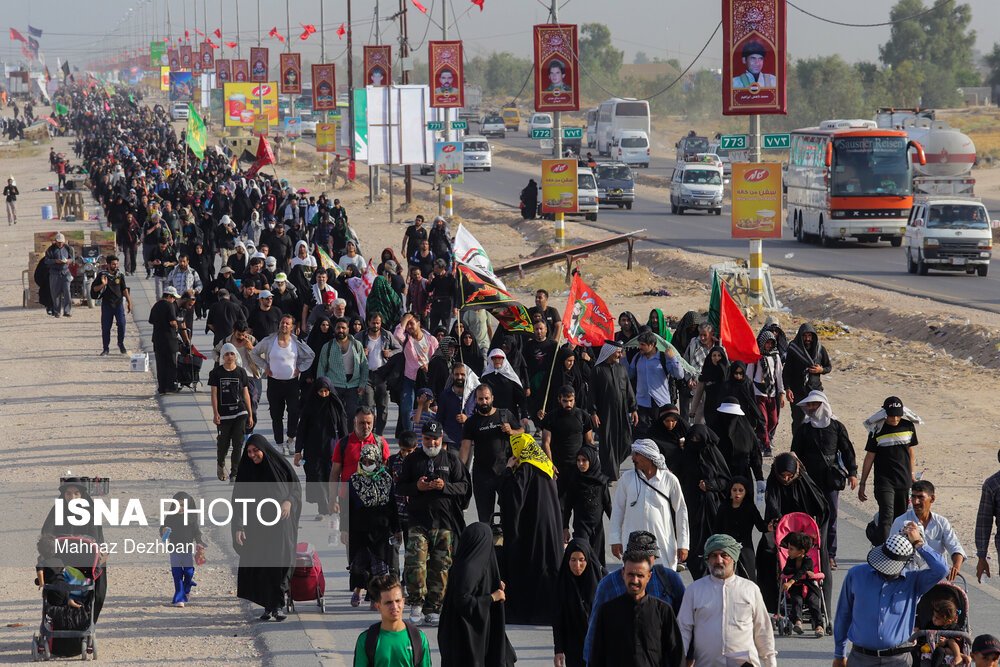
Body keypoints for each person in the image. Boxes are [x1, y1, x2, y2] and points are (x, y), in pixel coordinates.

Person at [833, 525, 948, 667]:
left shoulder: (914, 581)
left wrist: (919, 544)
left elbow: (941, 569)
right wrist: (839, 654)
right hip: (861, 659)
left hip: (898, 660)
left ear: (905, 562)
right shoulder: (856, 575)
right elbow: (843, 615)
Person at [397, 421, 471, 627]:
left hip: (445, 522)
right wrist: (417, 486)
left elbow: (464, 487)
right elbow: (400, 487)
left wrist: (444, 486)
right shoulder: (412, 460)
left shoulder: (452, 460)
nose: (431, 442)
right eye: (427, 438)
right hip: (418, 521)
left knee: (440, 567)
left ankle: (434, 607)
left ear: (441, 439)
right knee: (415, 562)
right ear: (422, 439)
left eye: (435, 438)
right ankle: (416, 603)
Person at [678, 534, 777, 667]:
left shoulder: (750, 589)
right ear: (707, 559)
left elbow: (763, 630)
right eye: (713, 555)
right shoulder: (694, 590)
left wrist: (770, 663)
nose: (718, 561)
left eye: (724, 555)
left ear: (734, 559)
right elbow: (684, 628)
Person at [232, 435, 302, 621]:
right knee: (262, 565)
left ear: (263, 448)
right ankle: (270, 606)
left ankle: (276, 605)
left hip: (281, 524)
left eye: (256, 450)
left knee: (280, 563)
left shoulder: (279, 465)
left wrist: (289, 502)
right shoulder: (246, 471)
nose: (253, 455)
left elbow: (295, 487)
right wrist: (239, 526)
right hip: (257, 526)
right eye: (249, 452)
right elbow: (238, 501)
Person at [497, 433, 563, 625]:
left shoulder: (526, 468)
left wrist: (508, 470)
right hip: (549, 529)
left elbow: (511, 499)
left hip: (532, 530)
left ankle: (530, 611)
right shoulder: (546, 466)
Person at [790, 389, 858, 569]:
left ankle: (829, 555)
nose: (811, 408)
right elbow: (794, 453)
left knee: (832, 516)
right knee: (808, 517)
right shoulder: (804, 428)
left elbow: (847, 450)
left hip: (830, 480)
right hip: (808, 480)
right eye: (809, 404)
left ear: (823, 404)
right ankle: (808, 554)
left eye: (815, 404)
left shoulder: (836, 426)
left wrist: (852, 473)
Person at [758, 452, 831, 613]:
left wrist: (813, 529)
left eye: (789, 475)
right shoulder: (773, 481)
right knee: (766, 551)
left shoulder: (803, 482)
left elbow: (822, 508)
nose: (785, 479)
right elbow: (772, 507)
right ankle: (774, 605)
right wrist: (775, 523)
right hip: (783, 533)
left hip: (805, 532)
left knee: (820, 556)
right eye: (782, 475)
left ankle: (821, 607)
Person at [437, 522, 516, 667]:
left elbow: (481, 581)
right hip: (465, 638)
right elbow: (462, 601)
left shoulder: (467, 561)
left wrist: (493, 584)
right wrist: (492, 597)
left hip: (469, 635)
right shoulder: (468, 568)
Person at [589, 552, 684, 667]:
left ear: (649, 576)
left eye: (640, 575)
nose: (635, 580)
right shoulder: (607, 611)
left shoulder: (663, 611)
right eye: (630, 574)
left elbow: (676, 653)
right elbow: (597, 655)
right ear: (623, 574)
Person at [610, 439, 690, 570]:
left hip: (662, 544)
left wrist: (683, 544)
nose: (633, 458)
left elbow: (681, 510)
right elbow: (618, 509)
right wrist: (615, 539)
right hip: (632, 544)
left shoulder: (669, 479)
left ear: (648, 456)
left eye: (637, 454)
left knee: (663, 581)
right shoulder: (627, 478)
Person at [40, 479, 109, 623]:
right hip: (62, 557)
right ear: (64, 495)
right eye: (68, 494)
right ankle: (57, 620)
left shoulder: (91, 511)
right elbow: (46, 534)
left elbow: (98, 538)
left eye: (76, 494)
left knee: (99, 588)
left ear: (82, 495)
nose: (72, 497)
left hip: (87, 558)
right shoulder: (57, 510)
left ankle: (88, 622)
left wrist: (102, 553)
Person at [345, 444, 401, 608]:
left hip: (381, 530)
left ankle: (377, 597)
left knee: (381, 567)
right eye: (364, 460)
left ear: (378, 461)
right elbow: (346, 506)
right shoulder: (354, 480)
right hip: (359, 530)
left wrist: (397, 529)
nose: (367, 463)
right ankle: (358, 590)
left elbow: (393, 505)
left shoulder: (386, 479)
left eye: (371, 461)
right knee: (360, 566)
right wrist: (343, 530)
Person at [251, 314, 316, 455]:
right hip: (274, 383)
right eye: (282, 323)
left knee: (294, 412)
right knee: (276, 415)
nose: (284, 325)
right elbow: (254, 353)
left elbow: (311, 355)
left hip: (292, 383)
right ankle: (279, 443)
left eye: (287, 324)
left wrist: (300, 368)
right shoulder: (269, 341)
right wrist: (265, 366)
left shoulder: (296, 342)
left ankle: (291, 439)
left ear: (292, 327)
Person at [860, 395, 920, 545]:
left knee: (900, 518)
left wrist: (912, 474)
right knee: (887, 515)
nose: (894, 419)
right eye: (891, 415)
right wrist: (862, 483)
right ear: (885, 413)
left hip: (903, 480)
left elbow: (911, 453)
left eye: (897, 415)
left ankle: (898, 548)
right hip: (883, 481)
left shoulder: (908, 426)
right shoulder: (877, 430)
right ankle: (885, 550)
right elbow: (869, 457)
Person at [460, 384, 523, 523]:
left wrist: (511, 431)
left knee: (509, 514)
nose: (484, 402)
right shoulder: (471, 422)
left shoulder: (504, 414)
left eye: (487, 398)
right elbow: (465, 448)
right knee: (485, 518)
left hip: (504, 471)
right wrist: (459, 469)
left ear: (492, 398)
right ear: (476, 400)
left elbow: (522, 432)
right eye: (480, 399)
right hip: (482, 474)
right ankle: (487, 543)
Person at [676, 422, 731, 580]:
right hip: (690, 507)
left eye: (698, 438)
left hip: (712, 507)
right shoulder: (684, 455)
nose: (695, 442)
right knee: (695, 549)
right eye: (692, 438)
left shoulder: (713, 454)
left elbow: (726, 480)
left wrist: (711, 485)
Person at [294, 377, 349, 518]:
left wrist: (346, 447)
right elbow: (301, 430)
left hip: (332, 448)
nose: (324, 394)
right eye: (321, 391)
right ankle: (322, 507)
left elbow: (343, 428)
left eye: (326, 391)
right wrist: (298, 451)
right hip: (312, 449)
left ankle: (332, 503)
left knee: (331, 476)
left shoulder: (336, 405)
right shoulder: (309, 407)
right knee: (317, 478)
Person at [889, 479, 966, 580]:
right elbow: (891, 553)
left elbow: (955, 547)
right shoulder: (900, 522)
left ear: (932, 498)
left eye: (921, 497)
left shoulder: (942, 522)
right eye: (913, 496)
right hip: (909, 579)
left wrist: (956, 567)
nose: (915, 502)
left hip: (936, 579)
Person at [354, 574, 431, 667]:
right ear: (378, 606)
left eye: (398, 601)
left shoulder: (418, 638)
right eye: (388, 603)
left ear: (403, 602)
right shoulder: (366, 640)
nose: (394, 607)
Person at [590, 340, 638, 481]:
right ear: (610, 352)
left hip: (622, 412)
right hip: (605, 413)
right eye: (618, 352)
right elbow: (592, 393)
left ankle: (613, 468)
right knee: (607, 443)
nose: (620, 355)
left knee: (625, 441)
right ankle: (610, 474)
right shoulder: (597, 370)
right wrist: (593, 413)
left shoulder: (621, 369)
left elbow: (628, 390)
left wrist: (633, 409)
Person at [209, 343, 254, 481]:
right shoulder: (216, 373)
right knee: (223, 443)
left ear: (236, 356)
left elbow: (245, 393)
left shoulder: (241, 372)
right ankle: (220, 463)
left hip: (240, 412)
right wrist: (215, 412)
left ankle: (235, 473)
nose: (229, 357)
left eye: (232, 354)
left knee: (238, 443)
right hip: (224, 415)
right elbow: (214, 394)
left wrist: (250, 413)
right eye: (227, 354)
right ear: (223, 356)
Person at [553, 539, 602, 667]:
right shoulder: (562, 584)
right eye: (573, 560)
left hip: (598, 645)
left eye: (581, 560)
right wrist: (558, 650)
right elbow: (558, 619)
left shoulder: (601, 583)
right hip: (573, 646)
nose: (577, 565)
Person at [628, 331, 684, 435]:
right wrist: (622, 359)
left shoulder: (664, 357)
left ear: (652, 345)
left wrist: (673, 358)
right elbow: (629, 374)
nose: (639, 347)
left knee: (661, 435)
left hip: (661, 403)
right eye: (639, 344)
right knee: (643, 435)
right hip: (642, 403)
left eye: (643, 345)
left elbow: (679, 375)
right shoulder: (637, 358)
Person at [714, 476, 769, 581]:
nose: (737, 493)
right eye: (734, 490)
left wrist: (770, 526)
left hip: (745, 549)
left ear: (745, 492)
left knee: (749, 578)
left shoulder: (750, 508)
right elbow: (717, 529)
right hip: (727, 550)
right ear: (730, 491)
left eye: (741, 490)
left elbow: (761, 527)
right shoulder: (723, 508)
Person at [393, 313, 439, 437]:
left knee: (426, 408)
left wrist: (429, 367)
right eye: (407, 324)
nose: (409, 326)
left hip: (425, 379)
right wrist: (406, 318)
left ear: (419, 323)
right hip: (410, 378)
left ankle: (425, 434)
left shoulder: (431, 340)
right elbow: (397, 334)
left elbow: (437, 358)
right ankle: (409, 436)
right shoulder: (407, 339)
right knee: (406, 409)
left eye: (411, 323)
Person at [160, 491, 207, 608]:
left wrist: (199, 543)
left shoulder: (191, 519)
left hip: (187, 550)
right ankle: (179, 598)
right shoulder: (170, 517)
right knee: (177, 574)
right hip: (174, 549)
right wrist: (163, 530)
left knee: (189, 572)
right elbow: (163, 529)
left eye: (183, 505)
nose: (180, 508)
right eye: (177, 505)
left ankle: (187, 587)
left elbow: (197, 533)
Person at [783, 323, 832, 433]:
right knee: (798, 421)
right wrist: (787, 388)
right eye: (804, 336)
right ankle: (797, 447)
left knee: (818, 419)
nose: (807, 339)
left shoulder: (820, 349)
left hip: (815, 390)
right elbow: (786, 371)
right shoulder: (793, 348)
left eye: (810, 336)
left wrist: (821, 370)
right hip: (797, 391)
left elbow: (828, 367)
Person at [318, 317, 370, 419]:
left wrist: (362, 384)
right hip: (334, 385)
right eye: (338, 328)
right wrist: (322, 386)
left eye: (343, 328)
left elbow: (364, 366)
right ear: (334, 329)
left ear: (348, 329)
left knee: (352, 414)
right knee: (333, 414)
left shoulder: (356, 345)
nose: (341, 330)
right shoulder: (327, 347)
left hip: (353, 385)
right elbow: (321, 368)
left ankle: (349, 435)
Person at [746, 329, 784, 453]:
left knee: (774, 420)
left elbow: (778, 376)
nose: (768, 346)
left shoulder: (776, 357)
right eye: (766, 343)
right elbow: (749, 376)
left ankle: (761, 437)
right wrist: (748, 394)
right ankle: (766, 445)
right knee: (763, 420)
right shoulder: (756, 356)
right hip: (758, 392)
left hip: (771, 392)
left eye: (771, 343)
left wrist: (781, 393)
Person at [780, 531, 824, 636]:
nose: (788, 551)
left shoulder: (808, 561)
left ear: (801, 551)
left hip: (810, 587)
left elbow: (801, 571)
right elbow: (786, 570)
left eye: (791, 549)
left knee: (813, 602)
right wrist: (800, 572)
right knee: (796, 601)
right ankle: (798, 622)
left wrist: (791, 580)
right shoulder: (790, 560)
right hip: (796, 587)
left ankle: (819, 625)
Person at [92, 255, 132, 356]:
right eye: (113, 264)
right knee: (106, 328)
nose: (116, 266)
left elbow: (124, 289)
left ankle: (120, 343)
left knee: (122, 324)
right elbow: (94, 289)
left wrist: (129, 302)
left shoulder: (120, 275)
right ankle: (106, 348)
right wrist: (103, 284)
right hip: (107, 305)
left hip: (118, 304)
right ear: (108, 264)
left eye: (117, 264)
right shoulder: (102, 275)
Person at [149, 286, 182, 394]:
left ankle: (162, 387)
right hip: (169, 339)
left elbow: (151, 320)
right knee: (171, 363)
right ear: (169, 296)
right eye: (173, 298)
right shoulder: (169, 305)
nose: (174, 300)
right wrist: (176, 326)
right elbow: (172, 321)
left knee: (160, 364)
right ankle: (170, 386)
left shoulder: (156, 305)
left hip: (157, 338)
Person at [975, 450, 1000, 584]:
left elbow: (983, 522)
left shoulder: (992, 484)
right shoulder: (993, 485)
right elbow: (984, 522)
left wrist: (982, 556)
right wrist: (981, 556)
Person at [45, 233, 74, 318]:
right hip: (54, 273)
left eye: (61, 242)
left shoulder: (68, 248)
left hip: (65, 272)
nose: (60, 244)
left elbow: (72, 258)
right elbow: (46, 261)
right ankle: (57, 311)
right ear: (56, 241)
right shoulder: (50, 249)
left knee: (67, 291)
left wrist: (68, 261)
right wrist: (55, 261)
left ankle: (67, 311)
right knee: (55, 293)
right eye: (58, 242)